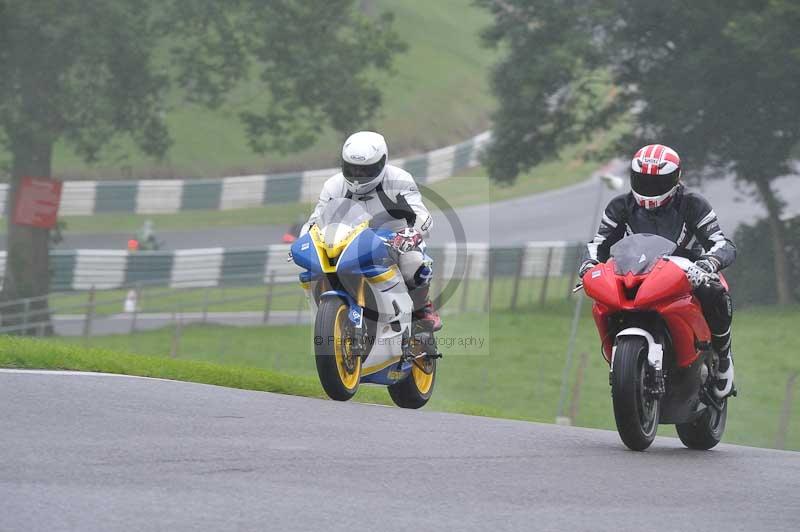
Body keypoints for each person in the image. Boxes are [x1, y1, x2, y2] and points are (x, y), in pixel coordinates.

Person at [578, 144, 736, 398]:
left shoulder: (693, 204)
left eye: (657, 182)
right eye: (642, 180)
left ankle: (724, 358)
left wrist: (710, 263)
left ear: (675, 180)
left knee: (716, 290)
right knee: (603, 300)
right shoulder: (620, 206)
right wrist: (588, 264)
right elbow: (599, 244)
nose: (648, 189)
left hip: (685, 270)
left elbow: (721, 243)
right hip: (636, 269)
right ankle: (623, 362)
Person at [301, 131, 442, 331]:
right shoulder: (333, 186)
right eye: (352, 169)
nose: (358, 176)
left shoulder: (399, 180)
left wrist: (412, 233)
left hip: (395, 242)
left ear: (382, 163)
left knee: (413, 262)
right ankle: (329, 318)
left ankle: (422, 308)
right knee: (315, 270)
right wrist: (303, 239)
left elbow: (422, 216)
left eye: (365, 170)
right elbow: (316, 221)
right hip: (349, 244)